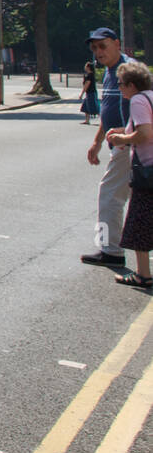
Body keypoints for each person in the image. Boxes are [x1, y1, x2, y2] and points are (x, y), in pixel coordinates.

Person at [82, 27, 133, 266]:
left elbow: (145, 107)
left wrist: (126, 134)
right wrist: (97, 141)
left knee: (110, 195)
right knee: (132, 196)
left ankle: (111, 250)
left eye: (103, 46)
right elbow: (108, 111)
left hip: (129, 145)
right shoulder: (110, 72)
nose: (98, 52)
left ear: (117, 43)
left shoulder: (129, 70)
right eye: (94, 48)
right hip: (121, 145)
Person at [105, 60, 153, 288]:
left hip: (148, 172)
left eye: (122, 84)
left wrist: (120, 139)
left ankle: (143, 275)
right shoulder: (151, 97)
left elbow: (144, 134)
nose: (120, 88)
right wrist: (122, 130)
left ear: (133, 85)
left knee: (138, 223)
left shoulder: (137, 100)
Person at [80, 61, 99, 125]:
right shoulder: (89, 75)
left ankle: (102, 120)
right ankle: (87, 120)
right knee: (85, 107)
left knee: (94, 107)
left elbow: (87, 85)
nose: (84, 67)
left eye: (86, 66)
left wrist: (81, 94)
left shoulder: (90, 76)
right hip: (89, 93)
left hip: (91, 93)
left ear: (88, 67)